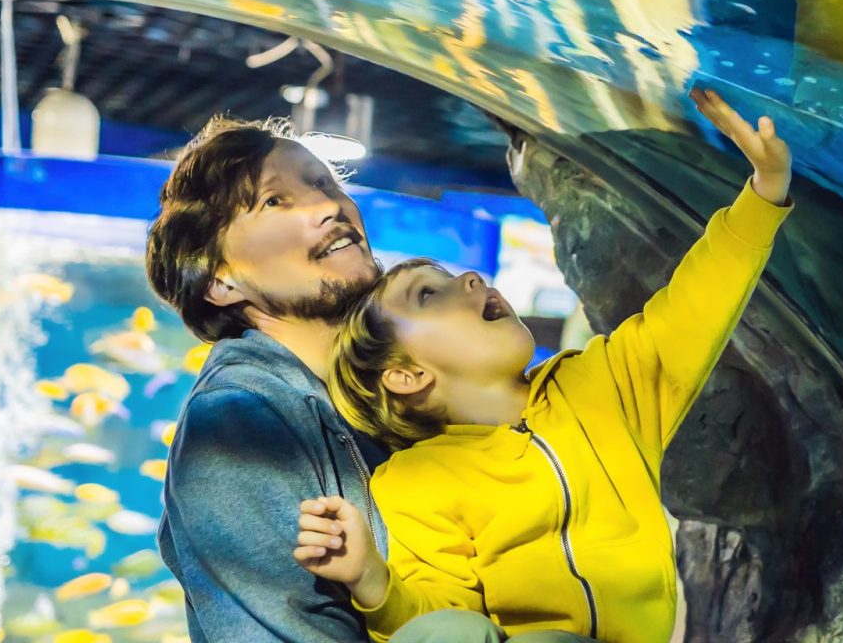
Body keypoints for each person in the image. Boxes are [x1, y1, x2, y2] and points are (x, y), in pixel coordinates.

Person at [292, 89, 793, 643]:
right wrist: (373, 581)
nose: (471, 279)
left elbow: (697, 305)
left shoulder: (601, 386)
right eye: (429, 296)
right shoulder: (415, 483)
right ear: (406, 376)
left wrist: (764, 194)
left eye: (459, 275)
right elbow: (431, 619)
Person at [145, 117, 389, 641]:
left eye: (324, 183)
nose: (329, 207)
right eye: (274, 201)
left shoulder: (389, 382)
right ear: (220, 280)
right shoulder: (237, 418)